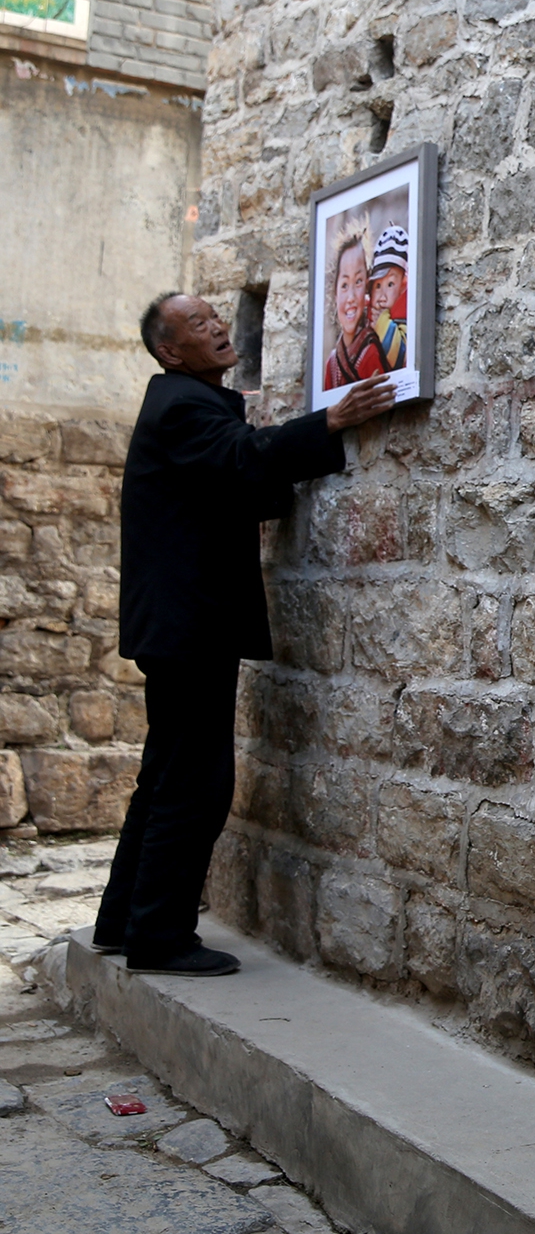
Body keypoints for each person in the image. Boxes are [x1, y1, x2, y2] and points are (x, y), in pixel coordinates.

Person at [92, 293, 395, 976]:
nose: (219, 328)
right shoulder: (182, 405)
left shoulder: (184, 401)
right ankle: (159, 937)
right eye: (199, 324)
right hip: (188, 627)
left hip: (177, 625)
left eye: (215, 317)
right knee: (195, 784)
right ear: (171, 351)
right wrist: (331, 420)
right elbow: (239, 457)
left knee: (165, 774)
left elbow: (231, 480)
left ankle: (124, 920)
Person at [321, 221, 385, 389]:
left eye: (358, 282)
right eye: (344, 285)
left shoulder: (371, 353)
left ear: (367, 288)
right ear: (334, 293)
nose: (350, 297)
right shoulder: (332, 363)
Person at [368, 224, 410, 373]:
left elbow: (401, 357)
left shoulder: (406, 316)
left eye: (390, 284)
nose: (382, 296)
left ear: (403, 286)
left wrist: (382, 323)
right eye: (378, 286)